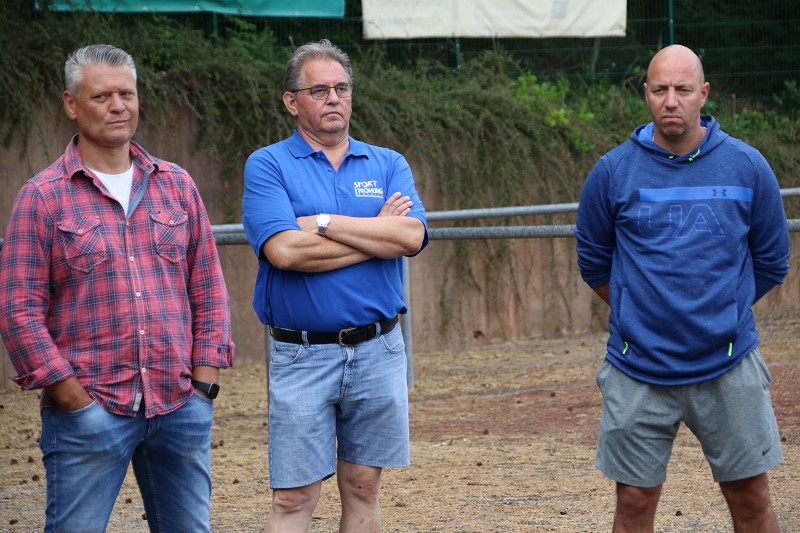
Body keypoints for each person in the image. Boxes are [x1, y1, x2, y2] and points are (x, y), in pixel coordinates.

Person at [0, 44, 234, 532]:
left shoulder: (177, 185)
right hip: (90, 413)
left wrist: (203, 386)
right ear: (71, 104)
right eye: (102, 95)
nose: (118, 105)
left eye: (126, 93)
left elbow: (209, 287)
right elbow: (18, 310)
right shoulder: (41, 198)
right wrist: (70, 397)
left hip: (179, 405)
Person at [575, 44, 790, 532]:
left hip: (728, 363)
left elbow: (772, 259)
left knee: (752, 498)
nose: (671, 100)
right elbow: (594, 262)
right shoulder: (612, 172)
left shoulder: (747, 166)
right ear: (646, 93)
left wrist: (721, 309)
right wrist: (643, 311)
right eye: (660, 89)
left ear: (703, 94)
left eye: (682, 90)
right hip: (638, 366)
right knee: (633, 500)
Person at [241, 39, 428, 532]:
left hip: (380, 349)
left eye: (341, 88)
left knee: (365, 482)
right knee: (294, 496)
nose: (333, 99)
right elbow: (284, 252)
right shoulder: (268, 164)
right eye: (319, 89)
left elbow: (410, 236)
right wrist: (374, 235)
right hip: (302, 355)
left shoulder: (388, 163)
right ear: (291, 101)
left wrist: (321, 221)